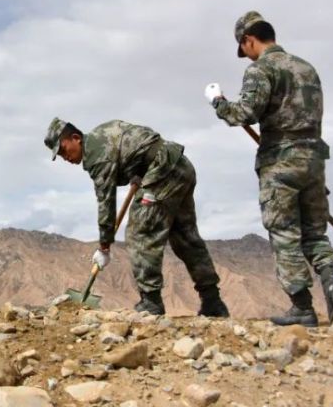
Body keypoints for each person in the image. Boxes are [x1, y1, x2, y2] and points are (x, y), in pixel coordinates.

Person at [205, 11, 333, 326]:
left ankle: (302, 307)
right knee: (314, 231)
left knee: (284, 232)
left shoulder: (261, 69)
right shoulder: (306, 68)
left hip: (280, 163)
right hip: (313, 160)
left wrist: (218, 101)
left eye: (244, 50)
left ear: (249, 40)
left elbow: (242, 114)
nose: (246, 56)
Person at [45, 117, 230, 317]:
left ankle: (151, 302)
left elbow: (106, 201)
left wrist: (104, 246)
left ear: (75, 138)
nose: (65, 157)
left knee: (139, 232)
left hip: (162, 170)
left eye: (63, 150)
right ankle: (213, 302)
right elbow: (139, 142)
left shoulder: (97, 155)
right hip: (179, 165)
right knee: (185, 237)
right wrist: (138, 169)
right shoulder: (103, 134)